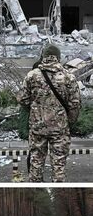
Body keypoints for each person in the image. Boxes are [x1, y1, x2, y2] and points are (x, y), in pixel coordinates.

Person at [18, 44, 81, 182]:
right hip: (60, 127)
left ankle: (36, 197)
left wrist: (35, 110)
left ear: (43, 57)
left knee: (36, 162)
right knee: (59, 164)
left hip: (37, 126)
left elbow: (22, 99)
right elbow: (75, 104)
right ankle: (58, 197)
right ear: (58, 58)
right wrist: (70, 121)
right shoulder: (68, 77)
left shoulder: (32, 76)